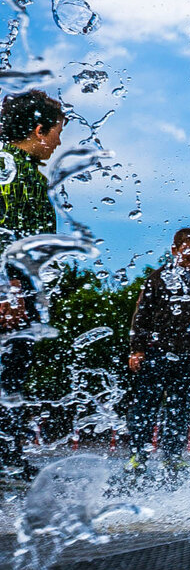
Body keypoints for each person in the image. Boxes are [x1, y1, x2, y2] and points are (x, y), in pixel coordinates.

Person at [0, 89, 65, 481]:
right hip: (9, 288)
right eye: (57, 132)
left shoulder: (23, 171)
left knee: (12, 375)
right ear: (39, 130)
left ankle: (7, 452)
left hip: (19, 288)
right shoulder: (8, 167)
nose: (59, 142)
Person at [126, 228, 190, 476]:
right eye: (189, 252)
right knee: (146, 405)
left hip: (188, 354)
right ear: (175, 250)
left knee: (179, 407)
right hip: (156, 353)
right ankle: (138, 455)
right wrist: (136, 350)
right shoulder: (157, 279)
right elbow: (141, 317)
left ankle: (172, 456)